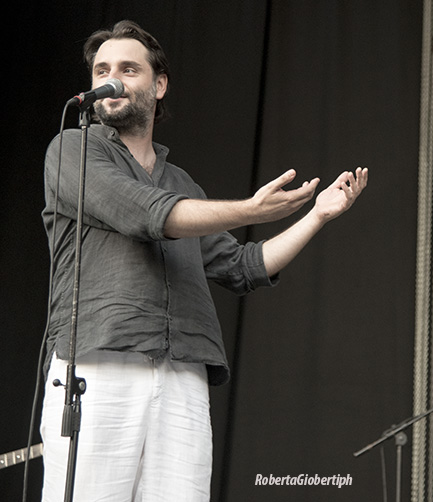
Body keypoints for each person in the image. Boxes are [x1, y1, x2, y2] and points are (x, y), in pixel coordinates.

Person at [40, 20, 368, 501]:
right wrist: (252, 209)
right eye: (101, 70)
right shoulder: (73, 150)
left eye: (129, 69)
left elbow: (242, 266)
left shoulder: (183, 186)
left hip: (183, 375)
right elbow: (144, 214)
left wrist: (317, 217)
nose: (112, 79)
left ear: (159, 84)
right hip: (99, 363)